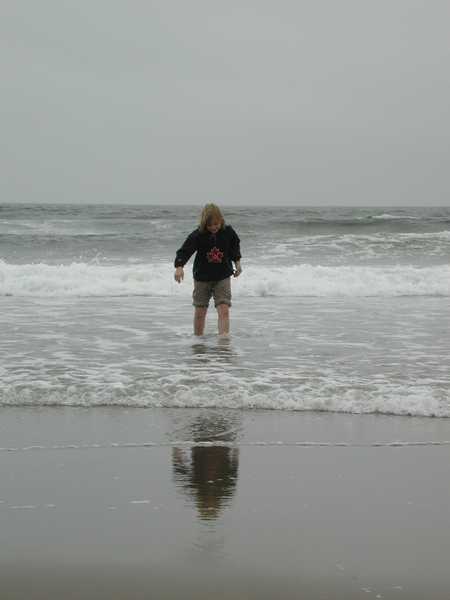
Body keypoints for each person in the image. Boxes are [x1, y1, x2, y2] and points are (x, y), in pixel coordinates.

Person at [174, 203, 242, 337]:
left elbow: (235, 248)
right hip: (202, 278)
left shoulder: (228, 232)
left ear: (221, 220)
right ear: (204, 224)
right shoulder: (198, 235)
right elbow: (184, 251)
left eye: (216, 224)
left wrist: (238, 263)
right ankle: (198, 341)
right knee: (200, 312)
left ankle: (223, 341)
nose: (213, 227)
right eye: (209, 225)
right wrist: (179, 267)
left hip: (222, 276)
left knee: (224, 309)